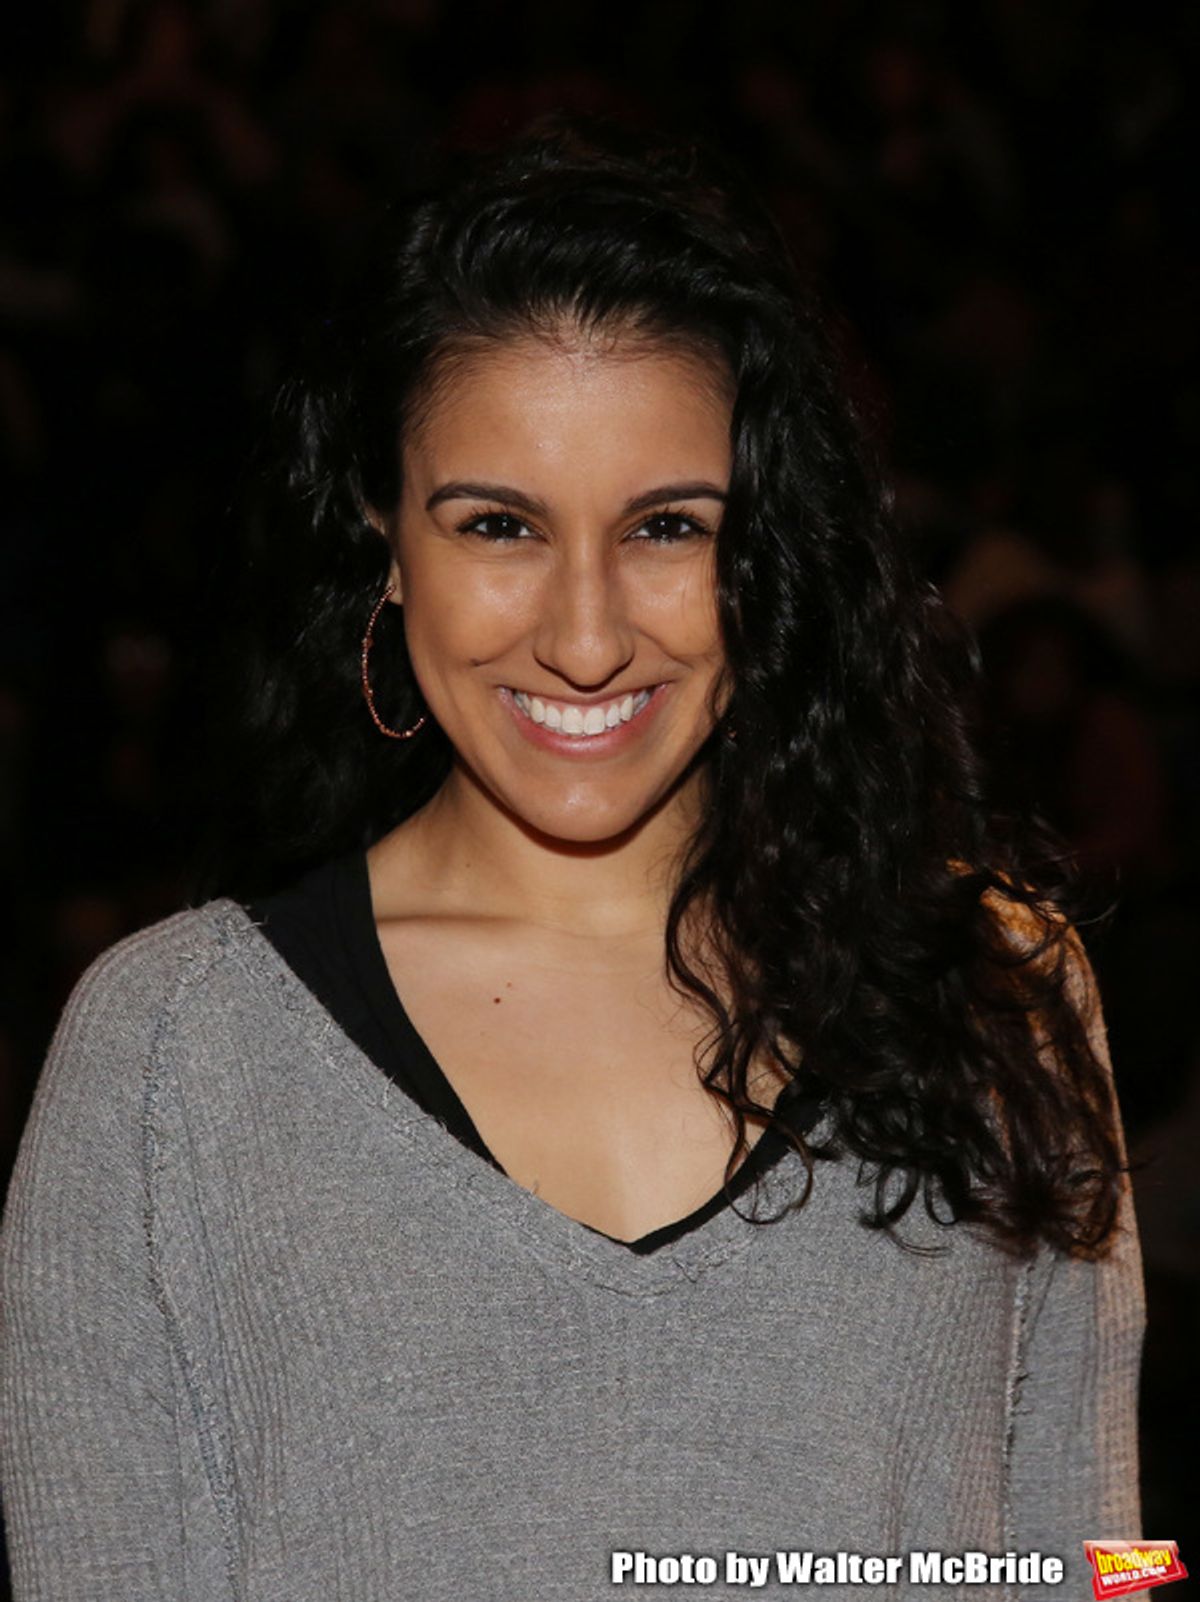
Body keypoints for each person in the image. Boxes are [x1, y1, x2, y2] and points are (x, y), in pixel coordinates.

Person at [0, 114, 1145, 1600]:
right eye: (500, 526)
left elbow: (1103, 1553)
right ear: (386, 538)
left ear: (763, 548)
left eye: (666, 524)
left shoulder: (1005, 1000)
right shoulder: (171, 1063)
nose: (589, 633)